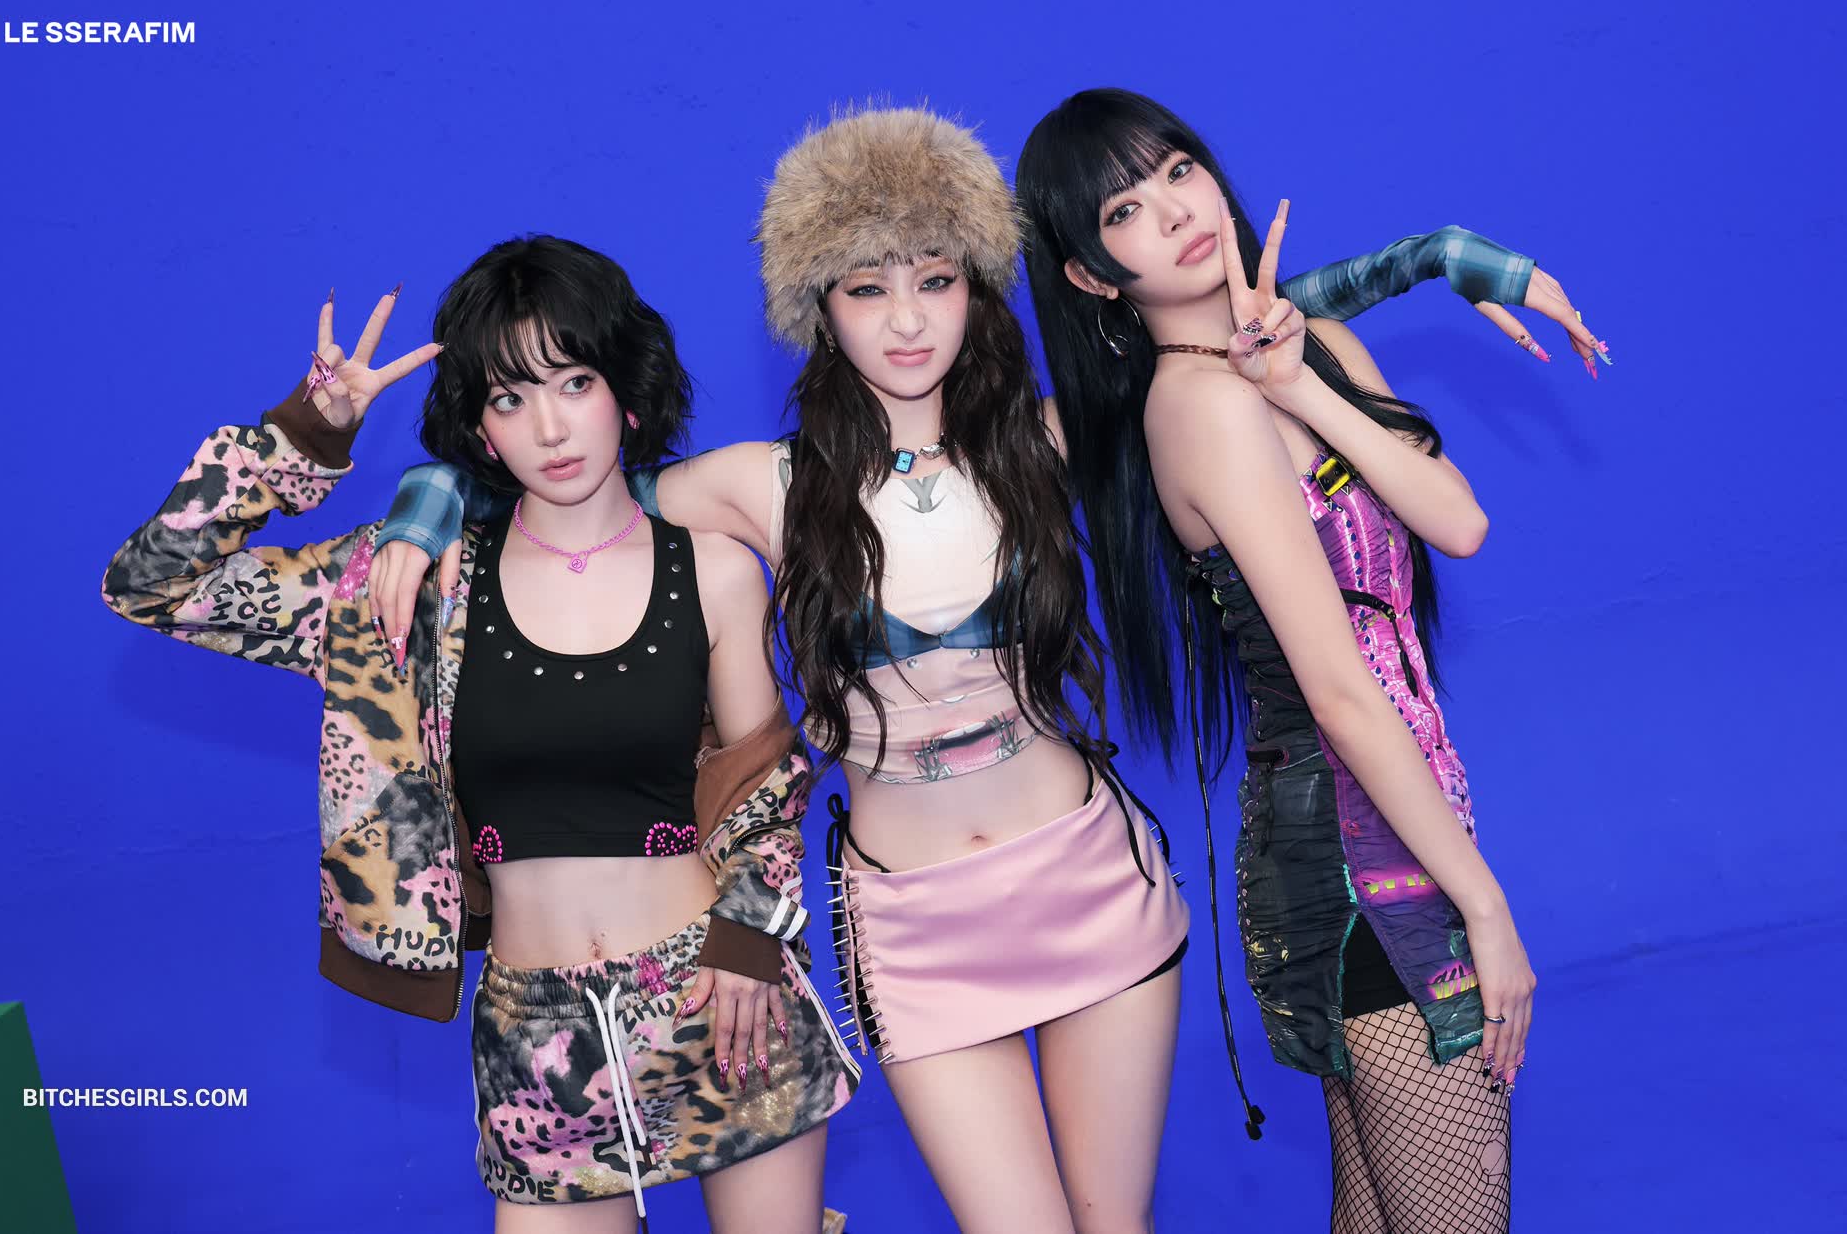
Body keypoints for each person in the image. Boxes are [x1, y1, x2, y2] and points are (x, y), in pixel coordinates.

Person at [363, 106, 1582, 1233]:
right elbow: (557, 465)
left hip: (1092, 885)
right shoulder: (758, 485)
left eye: (935, 280)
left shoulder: (1051, 439)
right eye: (867, 287)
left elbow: (1215, 325)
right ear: (818, 304)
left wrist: (1440, 257)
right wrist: (424, 503)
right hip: (915, 924)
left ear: (977, 288)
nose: (906, 320)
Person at [100, 236, 858, 1234]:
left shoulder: (711, 568)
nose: (550, 425)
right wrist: (305, 434)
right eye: (509, 397)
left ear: (625, 392)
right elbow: (155, 585)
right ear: (478, 426)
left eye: (575, 382)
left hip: (719, 1000)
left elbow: (764, 780)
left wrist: (750, 936)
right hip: (534, 1036)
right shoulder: (410, 584)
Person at [1017, 86, 1550, 1233]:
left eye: (1176, 170)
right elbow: (1340, 691)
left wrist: (1300, 379)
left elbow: (1458, 522)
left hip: (1399, 818)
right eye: (1122, 210)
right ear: (1090, 277)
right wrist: (1484, 903)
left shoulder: (1303, 356)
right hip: (1352, 852)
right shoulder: (1194, 409)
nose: (1174, 209)